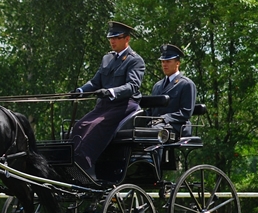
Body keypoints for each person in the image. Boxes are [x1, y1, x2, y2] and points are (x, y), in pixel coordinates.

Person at [70, 21, 145, 180]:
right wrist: (80, 91)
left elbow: (133, 86)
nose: (112, 41)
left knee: (95, 126)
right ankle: (70, 162)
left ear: (127, 39)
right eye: (110, 38)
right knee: (79, 125)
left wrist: (111, 91)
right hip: (105, 106)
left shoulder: (134, 60)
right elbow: (95, 82)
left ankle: (84, 165)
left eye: (116, 37)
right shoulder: (107, 58)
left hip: (124, 105)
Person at [146, 44, 197, 138]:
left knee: (155, 132)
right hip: (156, 124)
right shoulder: (157, 86)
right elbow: (151, 111)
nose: (164, 64)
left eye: (168, 61)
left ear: (177, 63)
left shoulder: (186, 84)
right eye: (163, 62)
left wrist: (164, 118)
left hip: (177, 126)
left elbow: (185, 113)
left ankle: (155, 153)